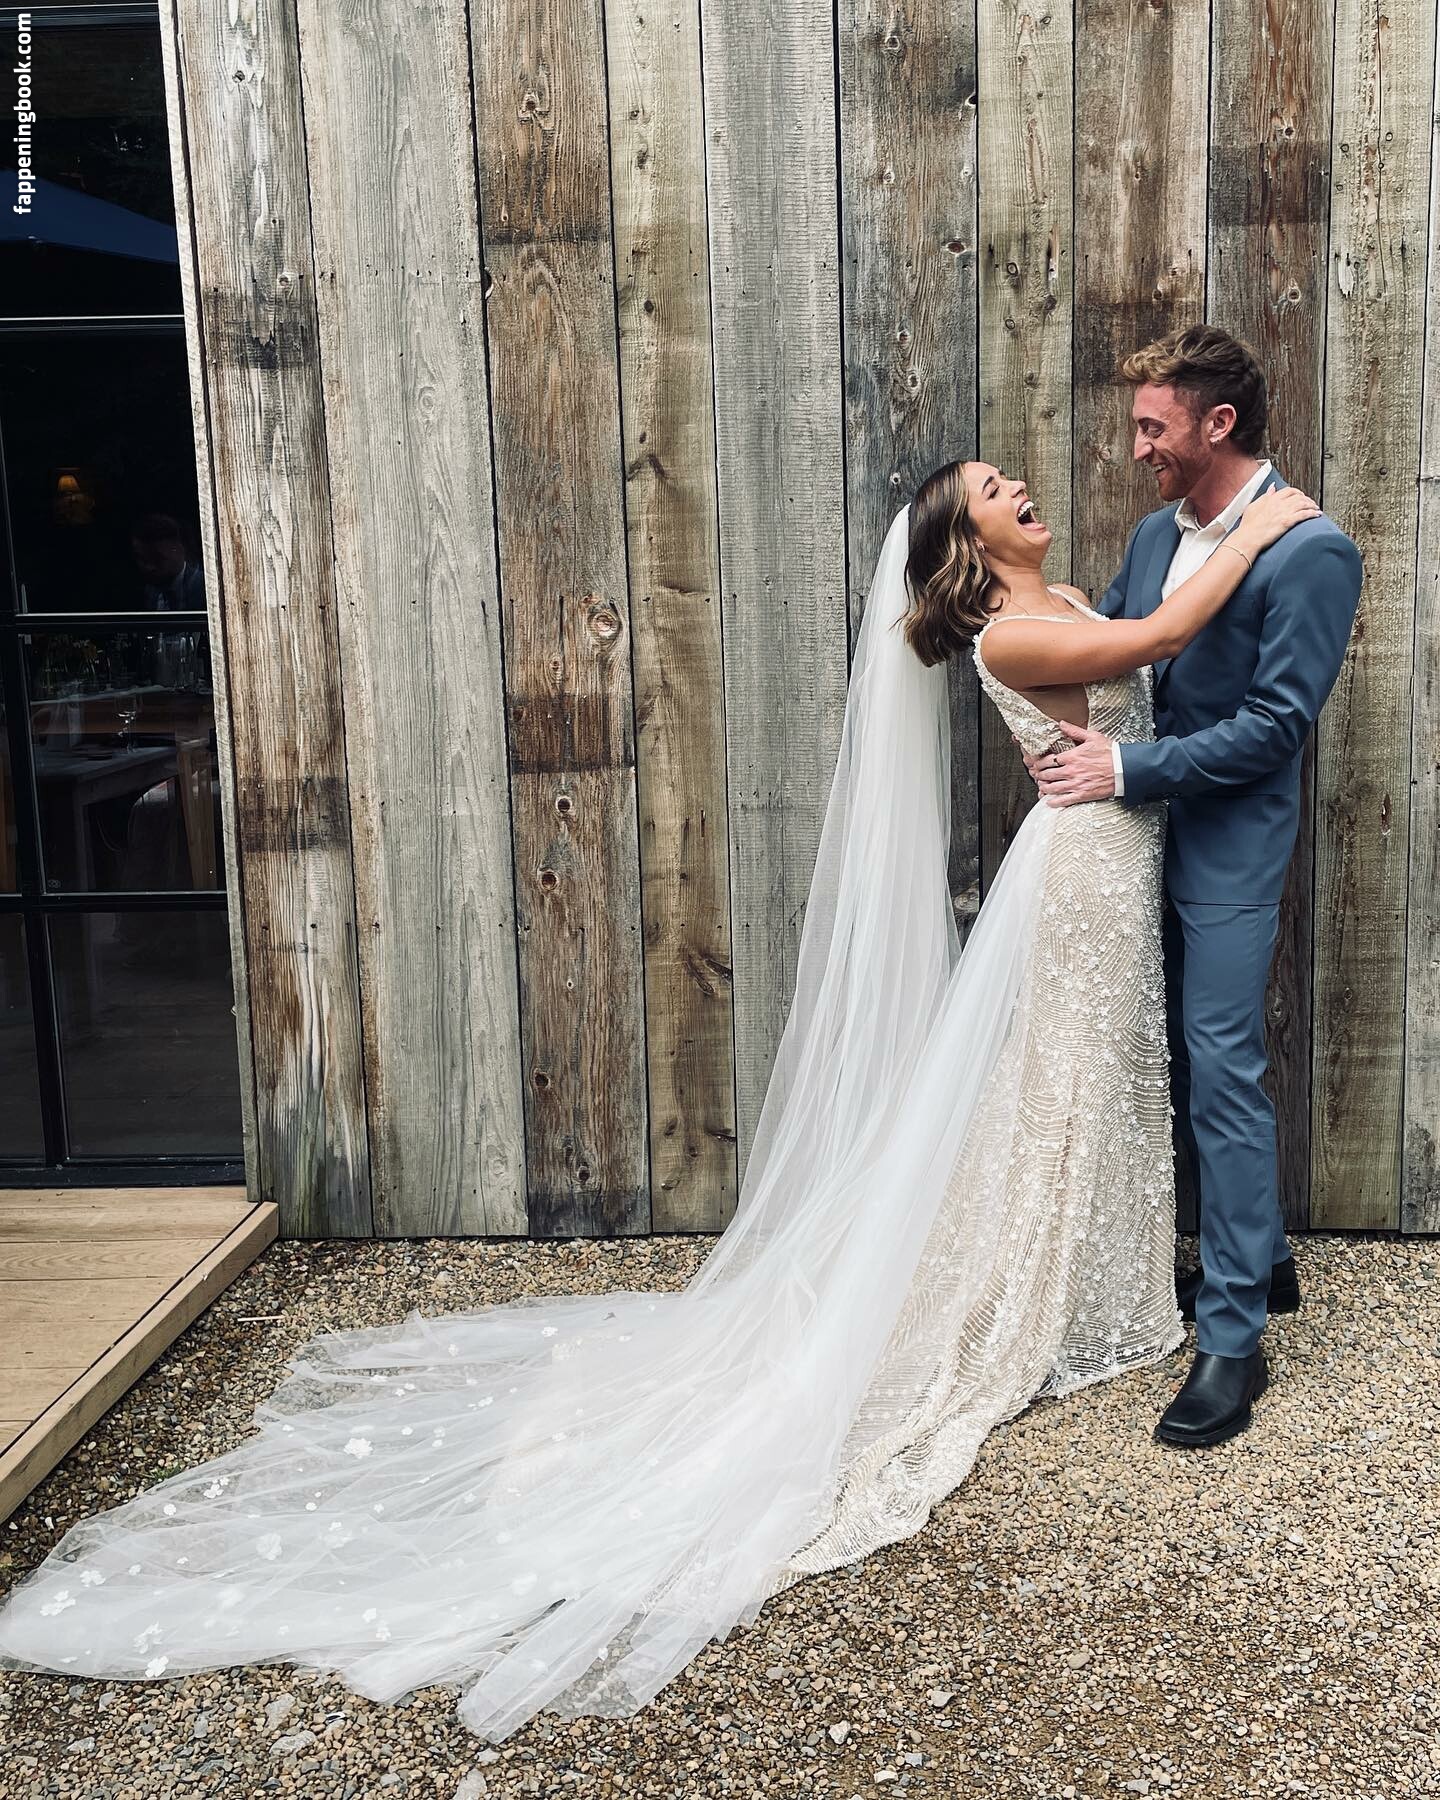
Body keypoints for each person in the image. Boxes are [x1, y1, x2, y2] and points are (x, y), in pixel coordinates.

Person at [0, 435, 1321, 1744]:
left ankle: (1108, 1264)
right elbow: (1162, 637)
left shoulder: (1066, 593)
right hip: (1078, 873)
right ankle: (1037, 1282)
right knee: (1067, 1076)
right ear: (970, 544)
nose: (1018, 486)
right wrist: (1257, 529)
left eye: (1004, 480)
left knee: (1097, 1078)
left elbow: (1146, 640)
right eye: (993, 490)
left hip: (1115, 857)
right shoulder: (1014, 637)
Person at [1017, 325, 1363, 1449]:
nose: (1137, 450)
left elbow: (1273, 728)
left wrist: (1125, 768)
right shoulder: (1155, 534)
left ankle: (1232, 1337)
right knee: (1155, 1054)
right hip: (1132, 843)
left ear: (1218, 424)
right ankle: (1259, 1257)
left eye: (1152, 428)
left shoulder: (1312, 552)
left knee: (1220, 1066)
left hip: (1226, 848)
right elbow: (1125, 649)